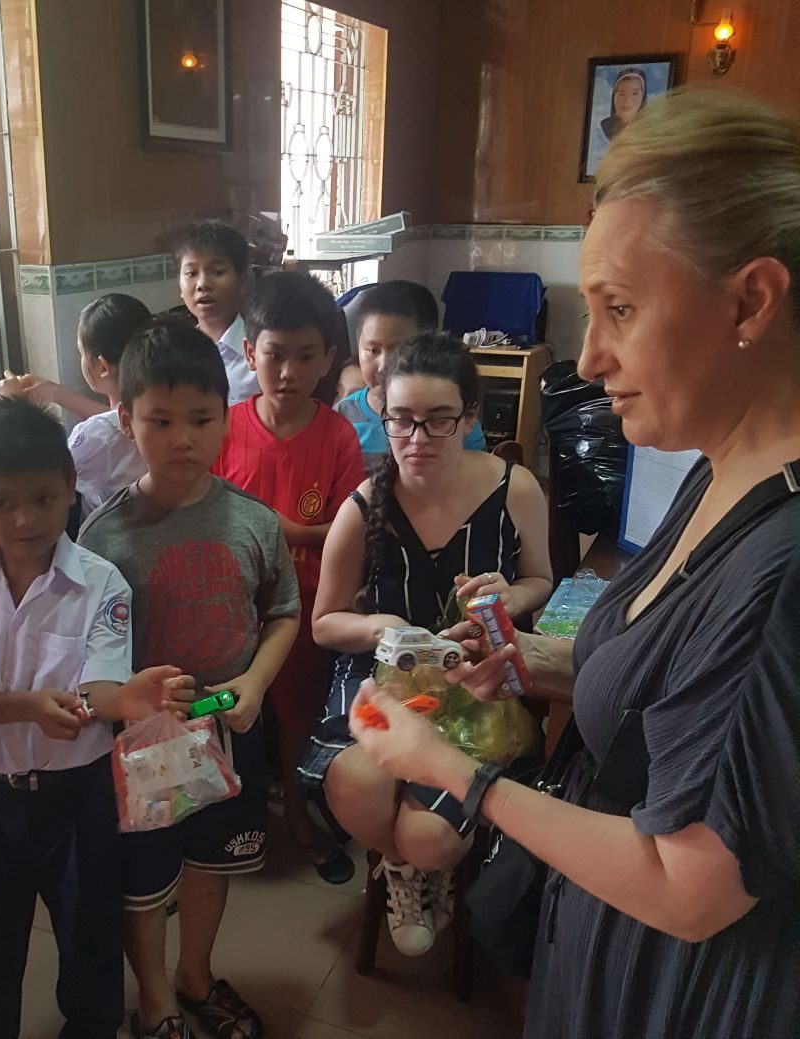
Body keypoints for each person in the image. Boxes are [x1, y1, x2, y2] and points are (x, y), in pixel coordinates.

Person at [348, 89, 800, 1039]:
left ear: (751, 300)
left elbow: (692, 886)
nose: (588, 359)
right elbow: (679, 692)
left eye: (621, 309)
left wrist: (454, 771)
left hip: (681, 983)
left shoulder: (782, 565)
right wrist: (529, 662)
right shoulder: (718, 470)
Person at [0, 396, 194, 1039]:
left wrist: (121, 703)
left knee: (91, 946)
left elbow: (97, 693)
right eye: (2, 502)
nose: (25, 519)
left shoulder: (102, 584)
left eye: (42, 498)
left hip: (78, 801)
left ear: (71, 486)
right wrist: (27, 709)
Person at [79, 321, 300, 1039]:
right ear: (124, 419)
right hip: (140, 743)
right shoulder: (102, 537)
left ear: (224, 417)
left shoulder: (254, 523)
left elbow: (283, 614)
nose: (182, 438)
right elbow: (83, 650)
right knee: (142, 885)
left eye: (200, 420)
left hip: (230, 728)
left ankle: (194, 976)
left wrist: (257, 682)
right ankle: (154, 1001)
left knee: (212, 865)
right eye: (159, 420)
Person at [305, 331, 552, 955]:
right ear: (380, 413)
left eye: (439, 421)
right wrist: (380, 625)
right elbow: (325, 621)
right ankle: (407, 871)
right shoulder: (365, 506)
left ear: (469, 416)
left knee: (431, 836)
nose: (417, 441)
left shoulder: (513, 489)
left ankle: (416, 860)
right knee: (353, 785)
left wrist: (509, 598)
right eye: (401, 420)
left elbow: (541, 580)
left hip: (477, 681)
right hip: (385, 678)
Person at [212, 271, 365, 882]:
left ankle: (299, 815)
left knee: (297, 717)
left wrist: (283, 532)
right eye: (275, 354)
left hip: (303, 608)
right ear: (250, 352)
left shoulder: (336, 434)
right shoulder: (222, 427)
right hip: (226, 612)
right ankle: (220, 824)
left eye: (307, 357)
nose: (289, 372)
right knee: (223, 715)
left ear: (329, 358)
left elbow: (349, 527)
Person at [2, 293, 151, 517]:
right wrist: (57, 393)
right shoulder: (156, 416)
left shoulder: (96, 436)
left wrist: (13, 409)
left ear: (102, 367)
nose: (80, 359)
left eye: (81, 352)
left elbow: (39, 480)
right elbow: (113, 420)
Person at [335, 280, 487, 470]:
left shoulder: (454, 422)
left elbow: (477, 483)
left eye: (399, 350)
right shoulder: (340, 418)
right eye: (373, 350)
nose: (383, 367)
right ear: (358, 345)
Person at [174, 220, 259, 405]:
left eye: (218, 272)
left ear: (242, 281)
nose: (202, 284)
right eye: (191, 273)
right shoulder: (175, 353)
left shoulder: (260, 353)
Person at [600, 67, 647, 142]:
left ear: (642, 97)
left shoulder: (649, 133)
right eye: (622, 94)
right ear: (614, 97)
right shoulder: (600, 132)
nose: (628, 100)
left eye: (635, 93)